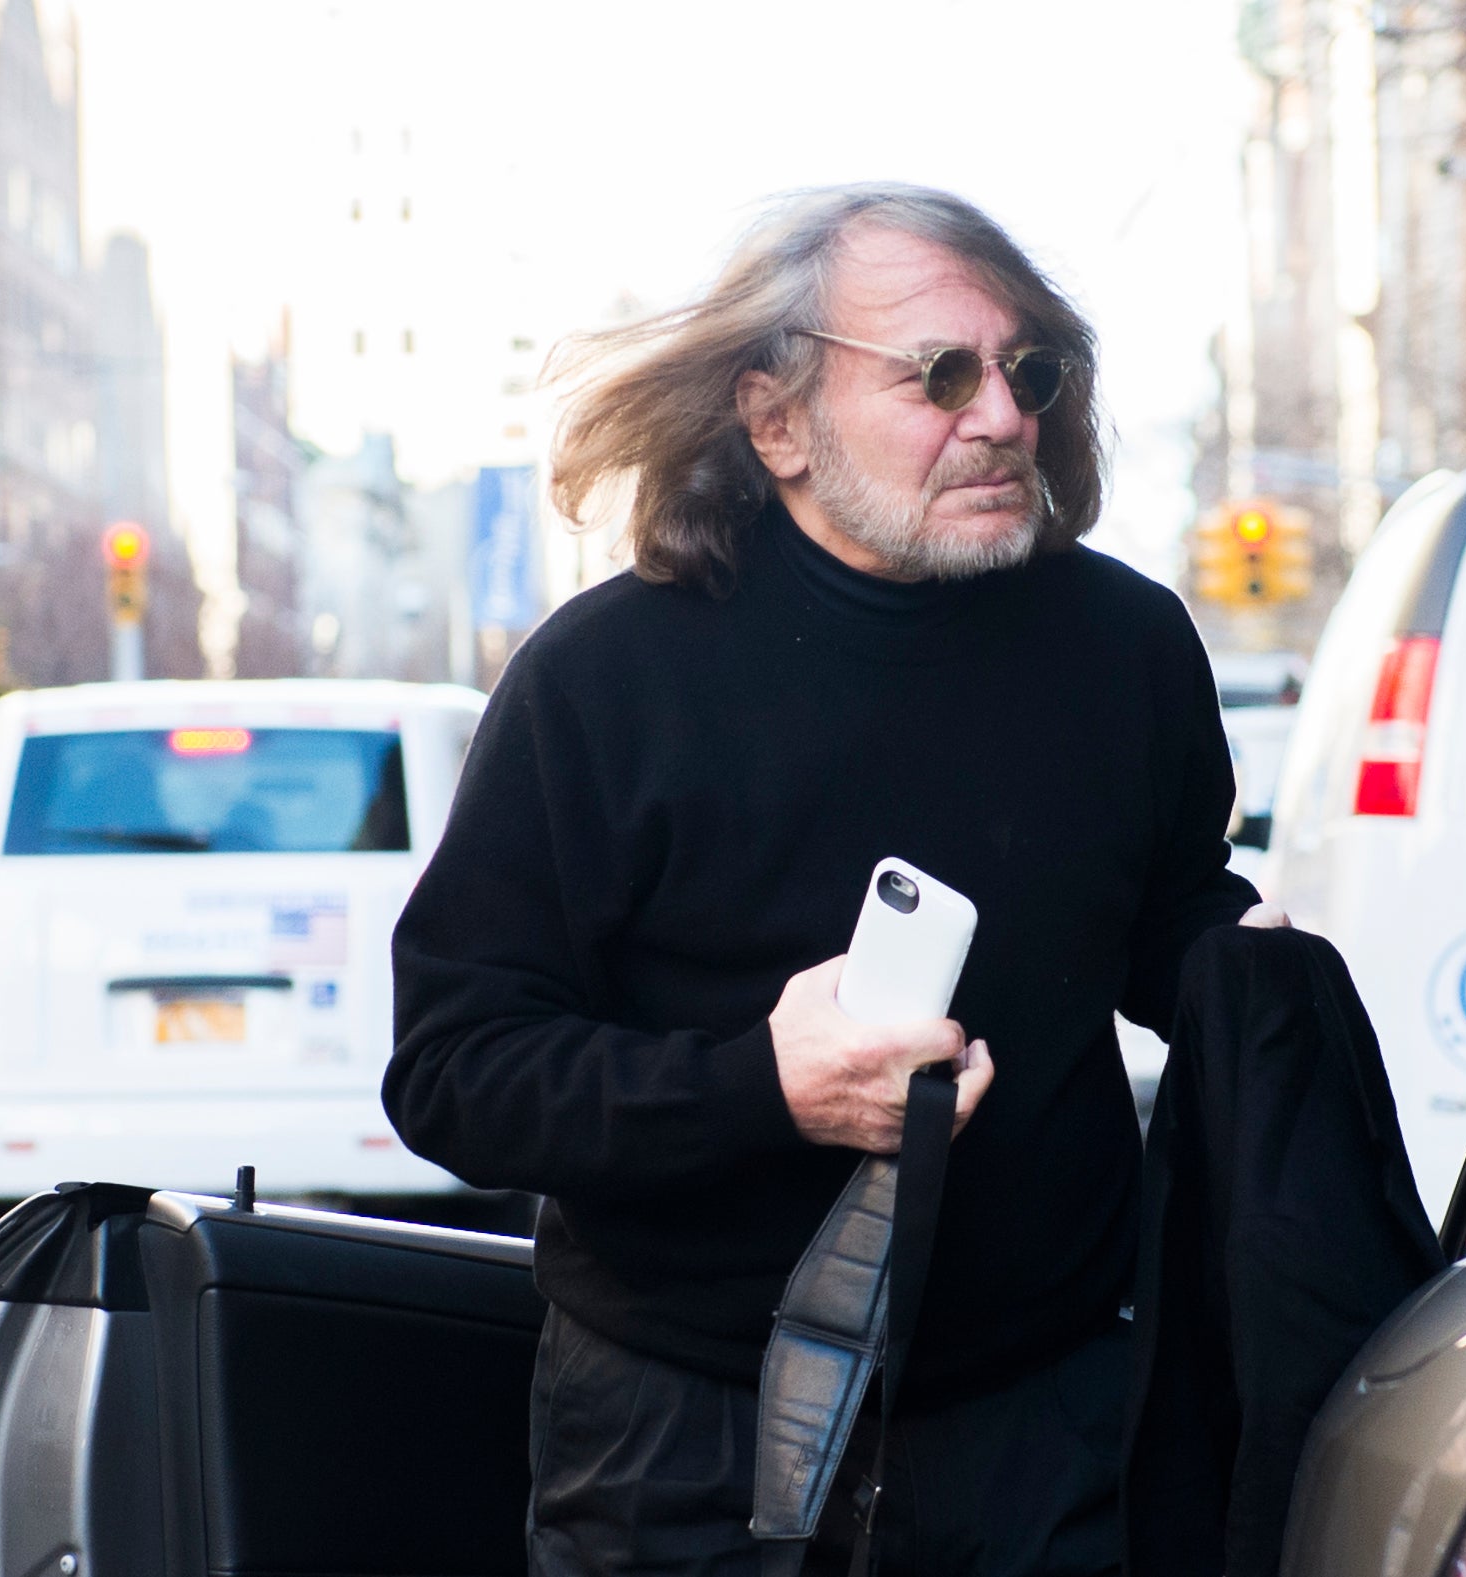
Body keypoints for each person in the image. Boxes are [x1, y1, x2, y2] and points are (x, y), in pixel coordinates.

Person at [385, 184, 1279, 1577]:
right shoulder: (605, 682)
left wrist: (1241, 964)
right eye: (936, 374)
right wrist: (764, 1084)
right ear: (776, 419)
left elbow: (1153, 907)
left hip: (1042, 1425)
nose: (998, 413)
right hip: (686, 1439)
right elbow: (454, 1072)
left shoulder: (1124, 644)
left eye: (1025, 368)